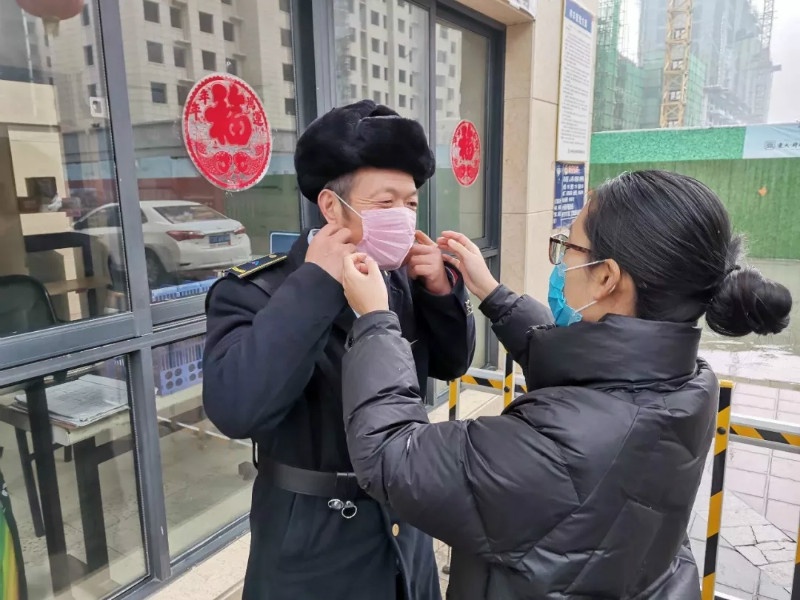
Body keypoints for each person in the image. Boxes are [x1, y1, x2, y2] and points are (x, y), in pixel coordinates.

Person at [339, 170, 793, 599]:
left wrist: (376, 319)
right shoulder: (688, 379)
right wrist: (494, 295)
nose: (561, 260)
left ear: (607, 277)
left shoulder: (564, 444)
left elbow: (390, 454)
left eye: (569, 246)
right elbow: (589, 366)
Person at [202, 99, 476, 600]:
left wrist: (441, 292)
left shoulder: (398, 279)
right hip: (310, 544)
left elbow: (451, 363)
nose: (403, 216)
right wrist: (316, 283)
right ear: (331, 207)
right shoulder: (257, 291)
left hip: (405, 522)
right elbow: (236, 409)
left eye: (411, 203)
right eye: (386, 202)